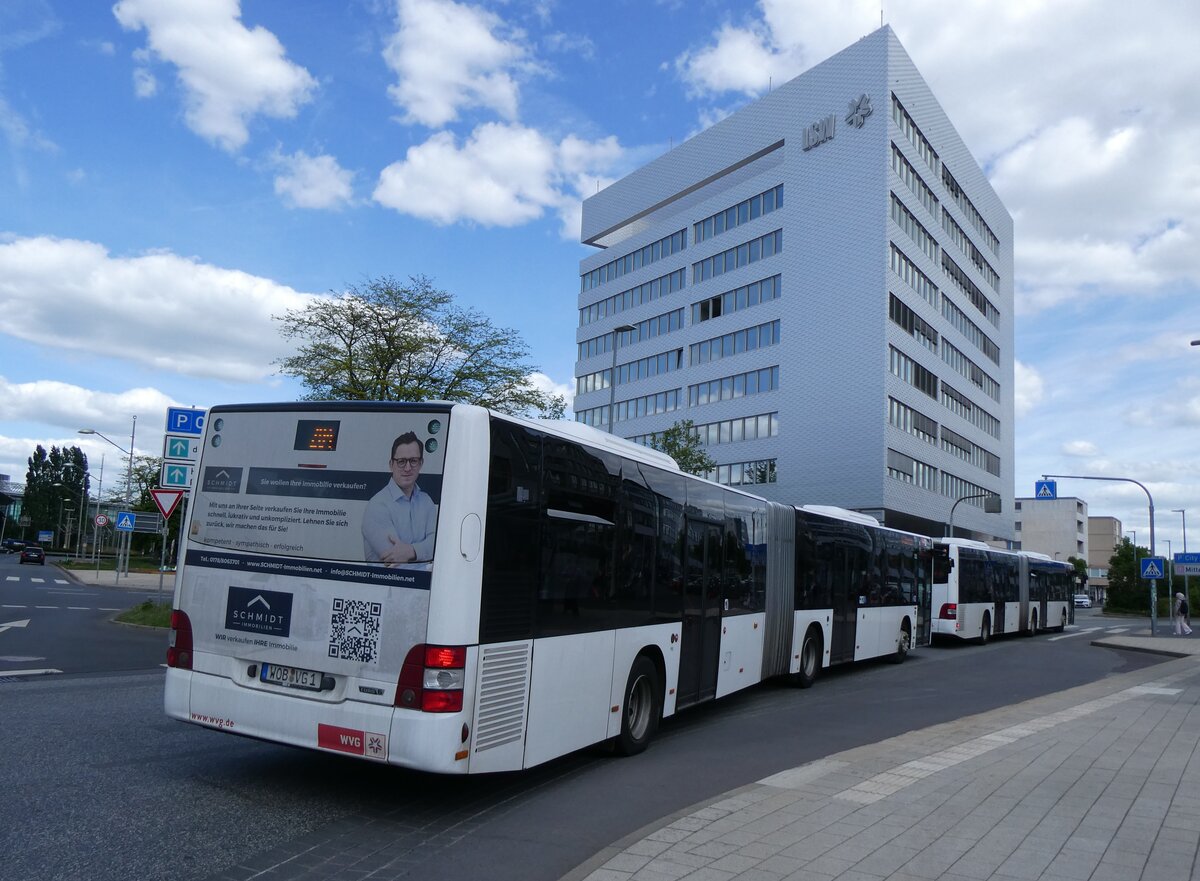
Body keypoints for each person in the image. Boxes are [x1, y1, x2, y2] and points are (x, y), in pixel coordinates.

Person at [361, 432, 437, 564]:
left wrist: (412, 551)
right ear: (391, 464)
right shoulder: (377, 506)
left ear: (421, 463)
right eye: (401, 462)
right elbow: (395, 560)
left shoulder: (427, 502)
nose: (407, 468)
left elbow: (438, 544)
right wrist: (424, 552)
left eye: (413, 461)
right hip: (385, 584)